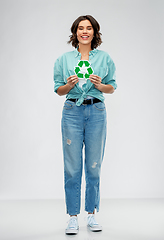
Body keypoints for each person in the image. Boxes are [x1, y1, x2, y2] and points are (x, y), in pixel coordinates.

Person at [53, 15, 117, 235]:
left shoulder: (104, 58)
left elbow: (112, 88)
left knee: (93, 165)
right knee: (72, 167)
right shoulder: (64, 59)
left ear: (94, 32)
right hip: (72, 111)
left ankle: (91, 214)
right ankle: (72, 217)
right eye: (81, 28)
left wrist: (100, 85)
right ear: (75, 32)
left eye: (89, 28)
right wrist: (68, 85)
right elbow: (58, 90)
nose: (85, 31)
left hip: (96, 111)